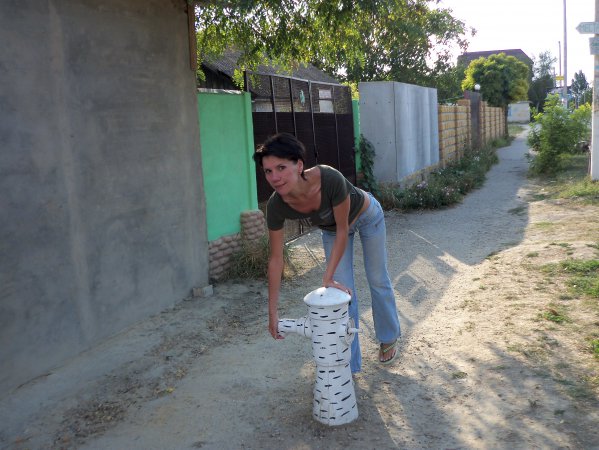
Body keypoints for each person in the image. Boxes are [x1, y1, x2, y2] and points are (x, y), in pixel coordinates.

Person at [253, 132, 400, 373]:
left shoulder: (328, 177)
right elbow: (276, 259)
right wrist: (272, 313)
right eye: (268, 171)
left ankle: (388, 336)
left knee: (377, 278)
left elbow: (343, 229)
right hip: (332, 230)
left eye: (281, 167)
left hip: (366, 216)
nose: (275, 177)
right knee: (342, 295)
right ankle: (349, 365)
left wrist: (327, 276)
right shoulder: (276, 206)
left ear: (299, 165)